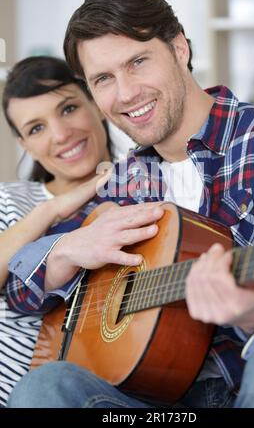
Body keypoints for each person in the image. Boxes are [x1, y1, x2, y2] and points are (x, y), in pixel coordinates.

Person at [6, 0, 254, 408]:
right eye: (103, 79)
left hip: (249, 387)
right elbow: (19, 290)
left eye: (138, 62)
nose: (125, 94)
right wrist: (67, 250)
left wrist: (253, 311)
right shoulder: (124, 179)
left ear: (179, 48)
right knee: (46, 386)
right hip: (150, 405)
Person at [0, 55, 159, 407]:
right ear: (24, 146)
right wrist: (52, 209)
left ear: (96, 103)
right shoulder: (8, 200)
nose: (60, 134)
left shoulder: (144, 185)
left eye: (69, 108)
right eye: (35, 129)